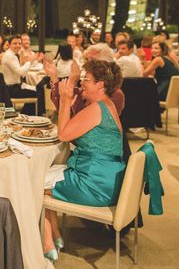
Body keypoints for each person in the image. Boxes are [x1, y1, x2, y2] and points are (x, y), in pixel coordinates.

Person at [42, 60, 125, 261]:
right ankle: (56, 236)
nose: (82, 84)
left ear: (100, 84)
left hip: (94, 186)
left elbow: (63, 134)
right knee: (43, 175)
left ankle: (47, 242)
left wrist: (65, 98)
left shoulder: (97, 109)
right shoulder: (107, 105)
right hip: (104, 179)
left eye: (86, 80)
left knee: (33, 181)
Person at [0, 34, 38, 113]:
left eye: (19, 43)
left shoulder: (12, 54)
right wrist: (30, 61)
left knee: (35, 89)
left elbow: (22, 74)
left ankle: (26, 113)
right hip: (11, 89)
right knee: (38, 93)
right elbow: (21, 73)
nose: (18, 45)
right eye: (15, 43)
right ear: (9, 45)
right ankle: (31, 115)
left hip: (11, 87)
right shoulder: (10, 56)